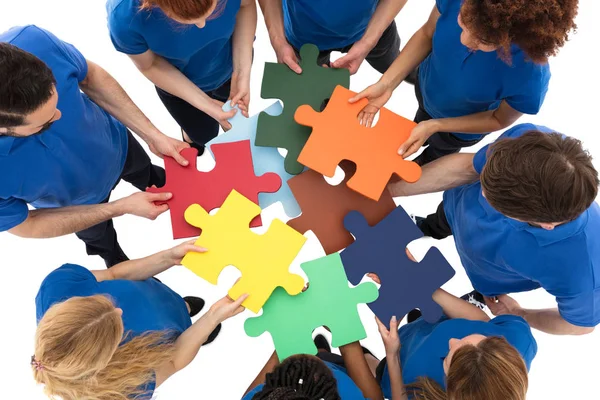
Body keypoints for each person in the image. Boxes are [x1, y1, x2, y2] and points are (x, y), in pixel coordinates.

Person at [0, 25, 188, 267]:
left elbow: (91, 76)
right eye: (45, 123)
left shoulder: (32, 40)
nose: (60, 115)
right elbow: (27, 225)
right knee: (102, 241)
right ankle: (114, 258)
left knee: (151, 174)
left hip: (118, 147)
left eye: (57, 100)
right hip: (76, 206)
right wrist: (118, 208)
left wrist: (152, 134)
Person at [388, 123, 600, 336]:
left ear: (547, 225)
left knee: (480, 296)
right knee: (438, 221)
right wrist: (387, 188)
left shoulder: (584, 269)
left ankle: (475, 299)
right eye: (486, 183)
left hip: (487, 275)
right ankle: (427, 227)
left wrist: (520, 313)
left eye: (498, 202)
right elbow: (469, 168)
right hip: (455, 209)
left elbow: (580, 325)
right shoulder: (529, 143)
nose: (483, 194)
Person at [351, 0, 578, 165]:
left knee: (439, 151)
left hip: (459, 129)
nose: (464, 39)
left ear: (514, 37)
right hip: (427, 88)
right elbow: (427, 34)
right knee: (420, 121)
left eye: (483, 40)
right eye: (463, 21)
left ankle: (428, 158)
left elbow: (498, 119)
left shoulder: (530, 76)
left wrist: (437, 126)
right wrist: (387, 84)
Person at [33, 240, 247, 400]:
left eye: (104, 302)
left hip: (154, 293)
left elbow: (114, 274)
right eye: (116, 328)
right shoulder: (118, 388)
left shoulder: (56, 287)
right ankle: (196, 328)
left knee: (178, 304)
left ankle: (184, 306)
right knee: (194, 332)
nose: (118, 311)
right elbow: (173, 360)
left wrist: (168, 257)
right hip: (169, 338)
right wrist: (212, 316)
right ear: (105, 358)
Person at [107, 0, 256, 150]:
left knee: (232, 119)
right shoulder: (123, 18)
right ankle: (189, 137)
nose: (202, 25)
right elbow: (150, 64)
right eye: (185, 20)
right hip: (179, 85)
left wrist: (242, 72)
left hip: (230, 64)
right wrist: (206, 104)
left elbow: (246, 5)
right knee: (203, 135)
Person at [375, 286, 536, 400]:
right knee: (422, 321)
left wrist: (392, 355)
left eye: (447, 359)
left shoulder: (420, 386)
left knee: (372, 369)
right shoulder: (518, 340)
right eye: (475, 334)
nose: (451, 340)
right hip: (426, 328)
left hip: (398, 368)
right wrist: (422, 284)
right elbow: (482, 320)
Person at [258, 0, 407, 76]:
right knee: (314, 104)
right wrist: (278, 41)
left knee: (400, 67)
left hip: (372, 27)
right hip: (303, 38)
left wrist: (368, 41)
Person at [243, 338, 384, 399]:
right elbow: (373, 397)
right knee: (376, 367)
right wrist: (343, 335)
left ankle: (321, 350)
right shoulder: (346, 392)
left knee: (322, 355)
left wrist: (284, 345)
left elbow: (249, 396)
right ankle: (322, 351)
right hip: (346, 373)